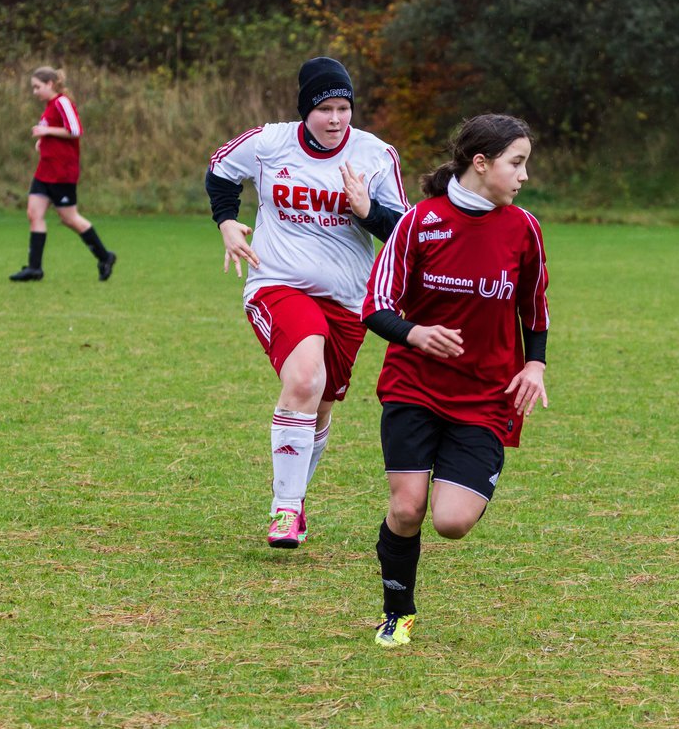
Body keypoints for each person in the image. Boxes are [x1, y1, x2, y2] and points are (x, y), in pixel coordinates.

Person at [361, 114, 550, 647]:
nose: (524, 176)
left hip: (487, 395)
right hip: (413, 385)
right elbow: (375, 306)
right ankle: (397, 612)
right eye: (516, 164)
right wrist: (415, 333)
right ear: (481, 163)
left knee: (451, 521)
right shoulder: (419, 222)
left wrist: (534, 364)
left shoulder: (523, 229)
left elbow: (534, 310)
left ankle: (460, 469)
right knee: (406, 507)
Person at [205, 56, 409, 548]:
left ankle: (292, 498)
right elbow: (219, 171)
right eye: (325, 110)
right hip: (277, 284)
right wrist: (227, 221)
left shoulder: (376, 154)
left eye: (344, 108)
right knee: (303, 377)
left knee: (319, 404)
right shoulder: (268, 142)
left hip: (348, 302)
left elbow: (403, 232)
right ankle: (286, 510)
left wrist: (366, 209)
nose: (336, 119)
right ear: (305, 111)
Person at [10, 67, 116, 282]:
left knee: (69, 218)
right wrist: (44, 141)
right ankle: (34, 268)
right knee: (34, 214)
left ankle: (105, 257)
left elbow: (76, 130)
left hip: (62, 172)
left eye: (37, 87)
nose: (35, 92)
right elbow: (57, 131)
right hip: (45, 170)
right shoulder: (50, 106)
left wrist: (46, 132)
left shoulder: (62, 102)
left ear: (50, 84)